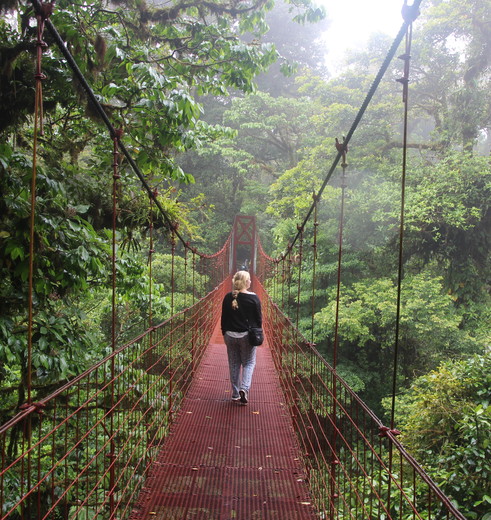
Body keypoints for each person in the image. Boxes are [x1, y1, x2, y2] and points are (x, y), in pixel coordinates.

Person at [221, 270, 262, 405]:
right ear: (245, 282)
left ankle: (234, 394)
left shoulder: (228, 297)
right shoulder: (254, 298)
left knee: (234, 364)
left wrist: (224, 333)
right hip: (246, 336)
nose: (251, 281)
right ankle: (244, 389)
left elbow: (224, 318)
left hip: (230, 335)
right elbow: (258, 320)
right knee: (249, 363)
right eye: (249, 279)